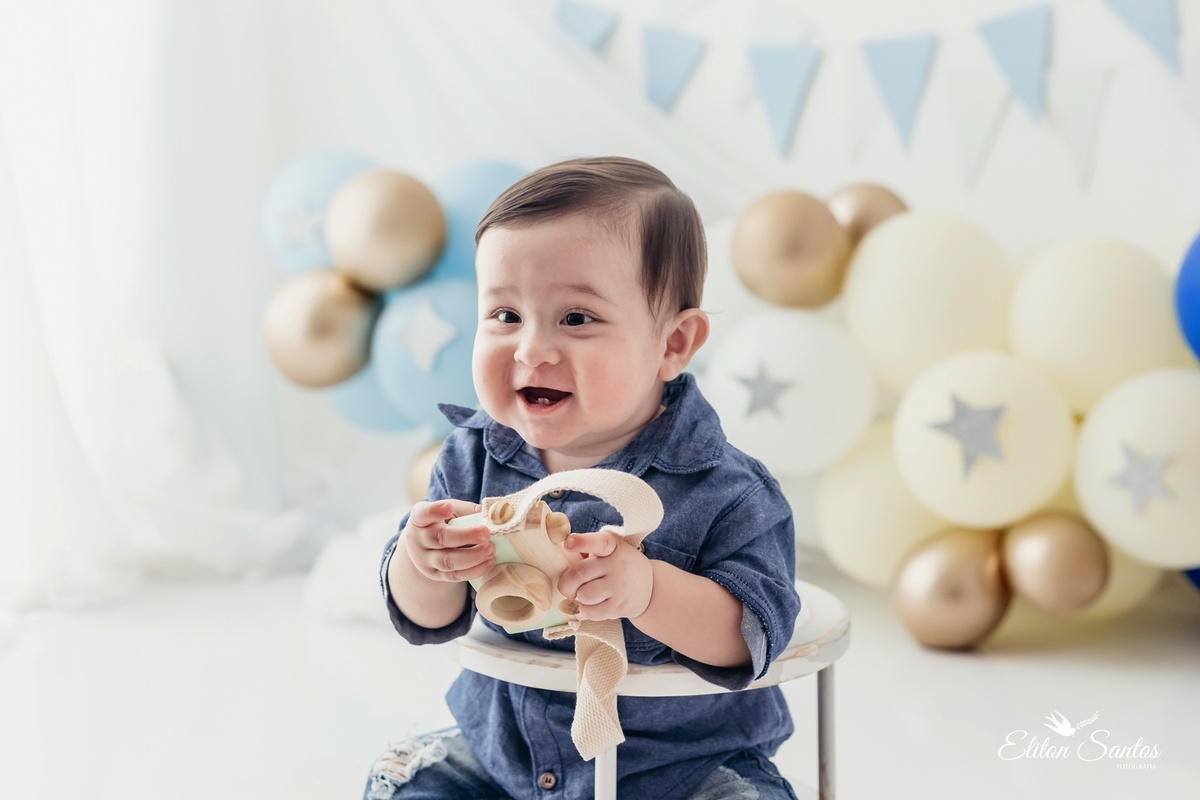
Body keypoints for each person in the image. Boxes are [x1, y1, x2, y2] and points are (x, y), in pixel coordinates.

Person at [366, 157, 802, 800]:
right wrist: (423, 561)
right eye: (505, 315)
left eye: (576, 318)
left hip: (681, 769)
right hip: (506, 756)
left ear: (673, 344)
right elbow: (429, 617)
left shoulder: (727, 490)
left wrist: (648, 591)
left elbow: (750, 636)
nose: (531, 350)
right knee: (402, 781)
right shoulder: (474, 457)